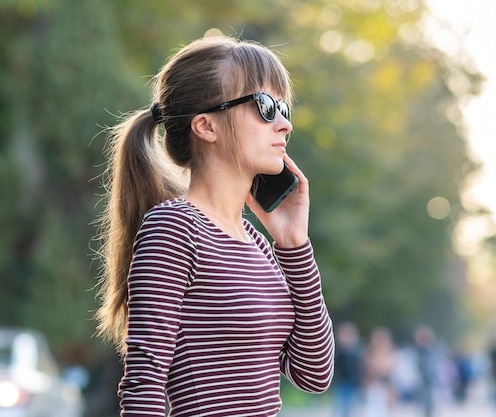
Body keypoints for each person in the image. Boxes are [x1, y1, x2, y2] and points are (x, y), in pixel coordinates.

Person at [93, 33, 335, 417]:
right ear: (206, 126)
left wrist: (293, 244)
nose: (284, 125)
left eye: (284, 108)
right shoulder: (174, 227)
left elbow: (314, 373)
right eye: (265, 106)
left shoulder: (255, 240)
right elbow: (145, 381)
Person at [332, 322, 364, 417]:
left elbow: (358, 367)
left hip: (354, 383)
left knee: (352, 407)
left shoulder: (357, 350)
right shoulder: (338, 350)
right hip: (341, 383)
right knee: (341, 407)